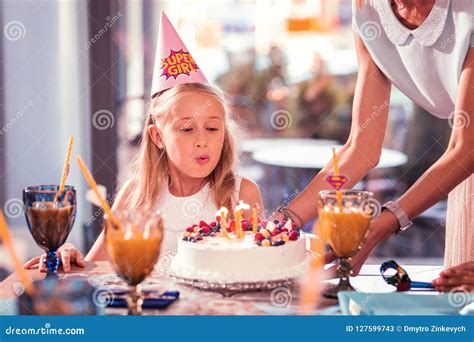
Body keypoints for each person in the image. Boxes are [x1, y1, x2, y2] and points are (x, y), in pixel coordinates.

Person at [25, 12, 263, 272]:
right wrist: (68, 253)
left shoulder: (242, 195)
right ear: (157, 136)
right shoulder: (134, 196)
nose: (202, 141)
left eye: (213, 128)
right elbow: (94, 268)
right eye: (186, 129)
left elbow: (260, 270)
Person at [274, 0, 473, 290]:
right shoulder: (369, 11)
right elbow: (361, 147)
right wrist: (284, 223)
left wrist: (386, 221)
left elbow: (465, 150)